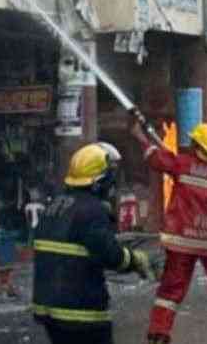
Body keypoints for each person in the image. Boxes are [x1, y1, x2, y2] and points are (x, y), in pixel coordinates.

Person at [131, 118, 207, 344]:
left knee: (171, 290)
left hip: (182, 241)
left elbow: (156, 158)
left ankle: (159, 335)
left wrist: (140, 136)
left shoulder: (183, 164)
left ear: (198, 146)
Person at [32, 143, 153, 344]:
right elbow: (111, 256)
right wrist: (135, 260)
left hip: (49, 311)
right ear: (99, 182)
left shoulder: (53, 206)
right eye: (110, 179)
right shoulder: (92, 211)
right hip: (81, 312)